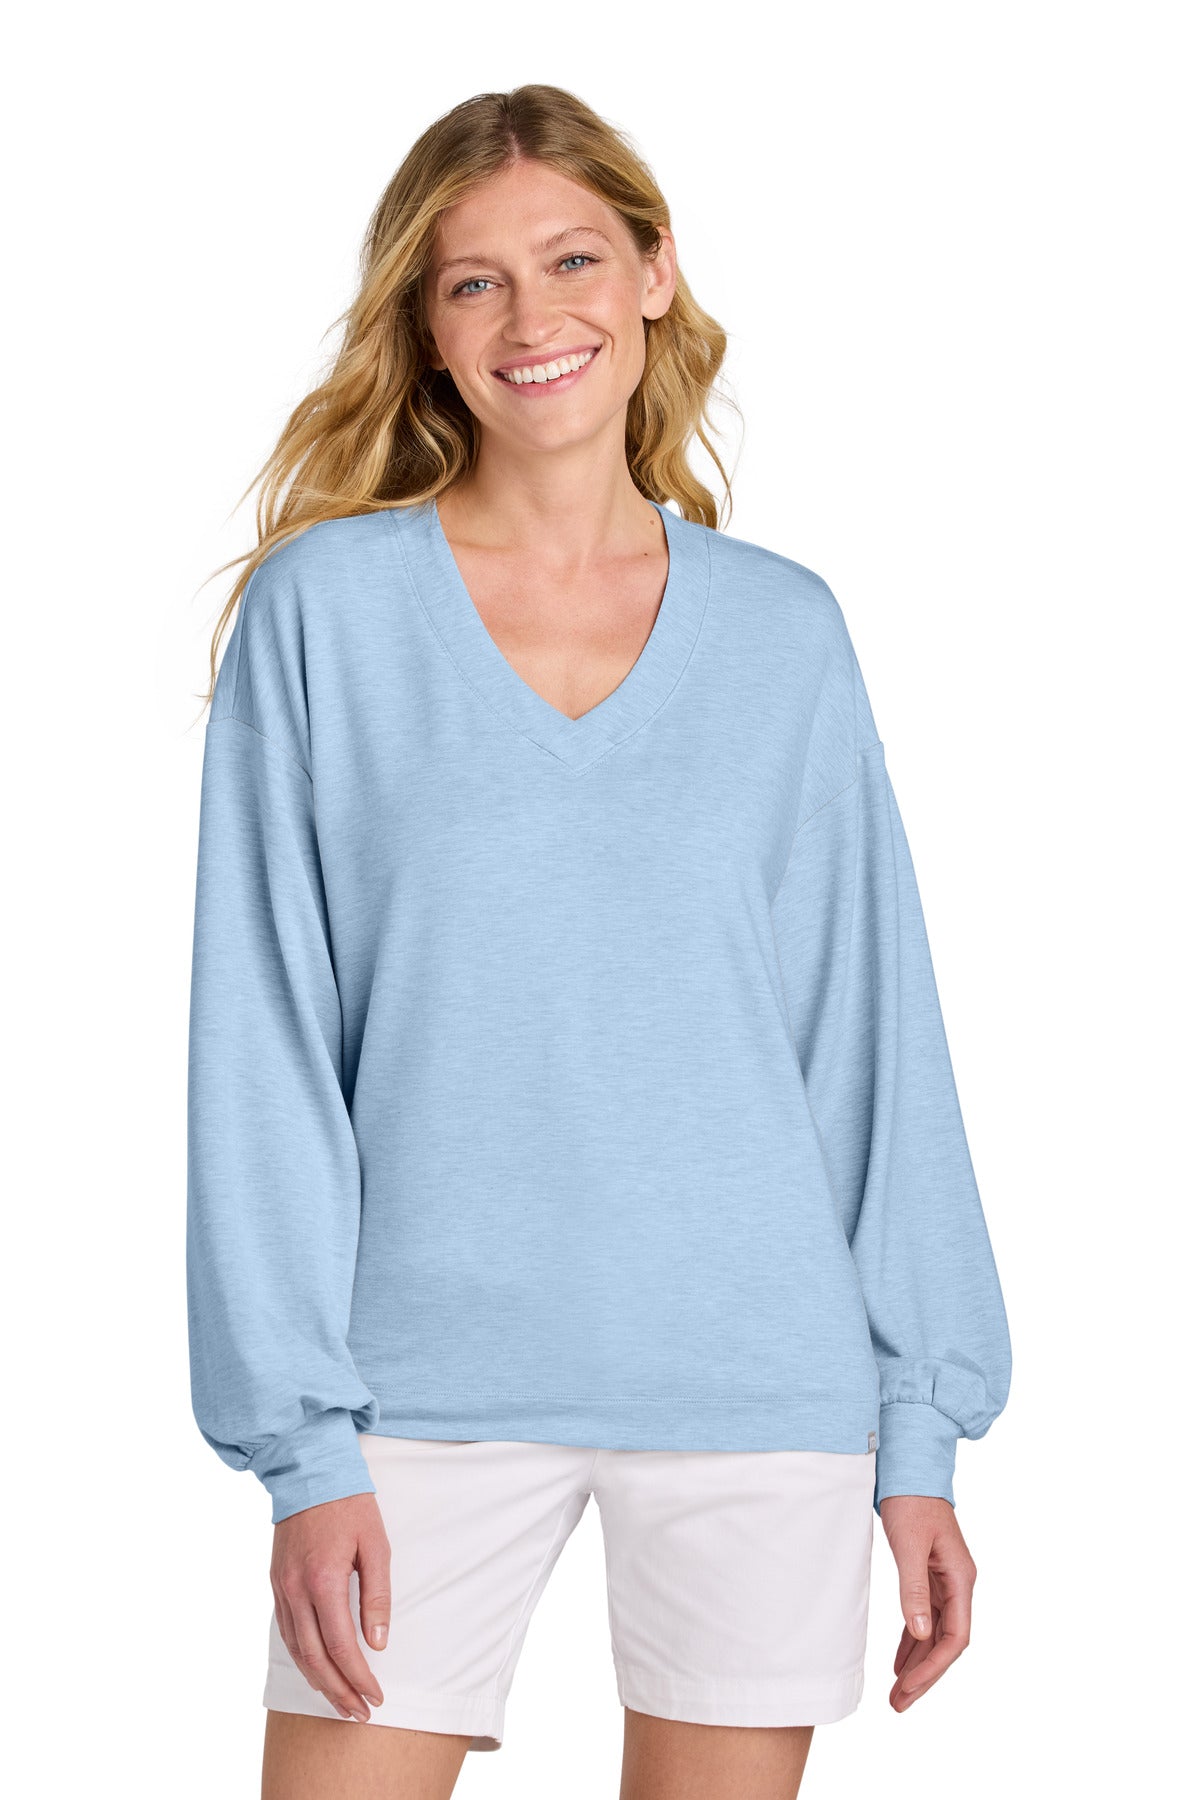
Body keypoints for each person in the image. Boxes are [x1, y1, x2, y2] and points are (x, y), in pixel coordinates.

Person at [186, 83, 1012, 1800]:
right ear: (426, 327)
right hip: (411, 1397)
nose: (529, 316)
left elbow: (869, 1037)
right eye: (472, 281)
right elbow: (261, 1046)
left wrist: (920, 1432)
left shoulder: (785, 635)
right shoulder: (325, 615)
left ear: (653, 274)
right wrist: (302, 1444)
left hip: (755, 1392)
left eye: (570, 259)